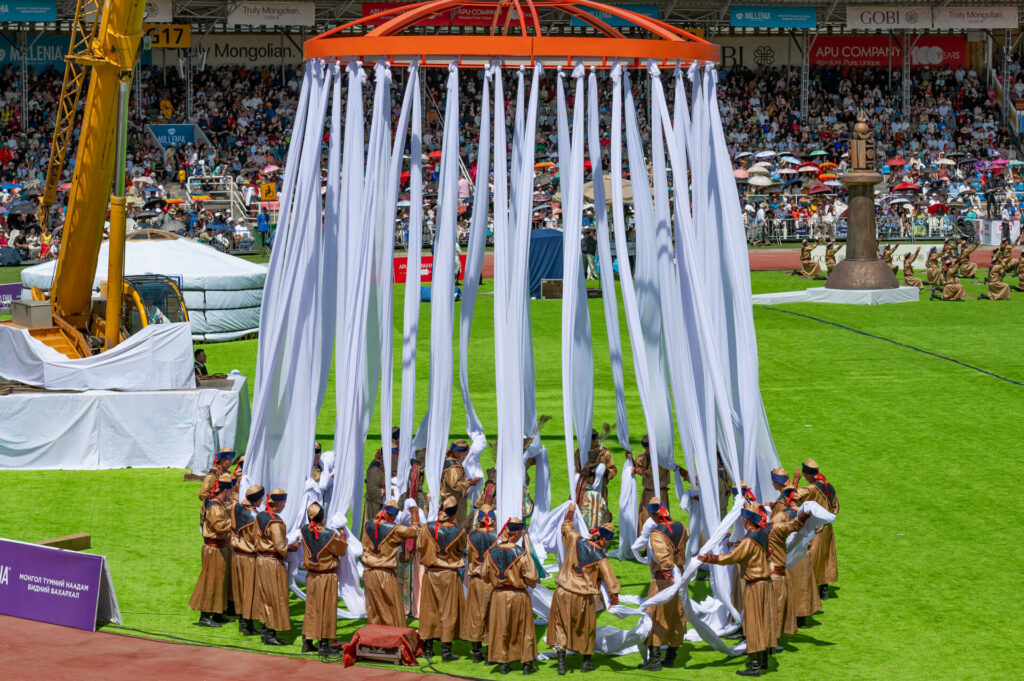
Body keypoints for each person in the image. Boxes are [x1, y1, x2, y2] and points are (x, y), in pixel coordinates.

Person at [698, 502, 777, 677]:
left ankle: (754, 664)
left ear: (747, 520)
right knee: (763, 621)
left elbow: (732, 557)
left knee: (753, 623)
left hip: (755, 586)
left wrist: (709, 558)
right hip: (766, 583)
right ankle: (763, 659)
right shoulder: (762, 533)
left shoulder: (749, 540)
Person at [547, 503, 620, 675]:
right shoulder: (601, 558)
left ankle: (561, 663)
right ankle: (586, 662)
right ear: (605, 539)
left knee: (561, 626)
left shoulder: (575, 540)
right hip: (582, 597)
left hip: (562, 592)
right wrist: (614, 597)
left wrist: (571, 512)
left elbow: (566, 527)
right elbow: (611, 581)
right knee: (586, 629)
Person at [483, 517, 539, 675]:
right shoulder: (521, 554)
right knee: (524, 628)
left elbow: (484, 574)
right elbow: (532, 576)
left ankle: (503, 663)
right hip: (518, 594)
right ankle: (527, 664)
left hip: (499, 595)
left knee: (501, 628)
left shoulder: (492, 551)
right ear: (516, 534)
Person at [639, 498, 689, 671]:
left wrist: (668, 574)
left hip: (664, 580)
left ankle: (655, 660)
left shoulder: (657, 534)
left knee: (656, 617)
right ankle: (671, 657)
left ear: (654, 515)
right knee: (677, 615)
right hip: (680, 577)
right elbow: (685, 538)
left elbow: (665, 560)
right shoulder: (682, 526)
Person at [417, 495, 468, 660]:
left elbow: (419, 546)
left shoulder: (427, 527)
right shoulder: (459, 531)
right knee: (449, 611)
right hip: (449, 574)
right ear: (454, 514)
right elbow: (462, 548)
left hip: (431, 573)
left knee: (429, 610)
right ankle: (446, 651)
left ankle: (428, 649)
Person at [362, 499, 421, 627]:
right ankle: (390, 641)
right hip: (385, 574)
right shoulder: (394, 529)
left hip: (369, 572)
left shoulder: (368, 524)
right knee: (391, 609)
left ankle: (375, 641)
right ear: (392, 515)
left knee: (374, 609)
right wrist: (414, 511)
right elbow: (415, 531)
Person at [299, 502, 348, 655]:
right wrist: (343, 535)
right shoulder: (329, 534)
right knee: (327, 608)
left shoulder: (304, 530)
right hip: (326, 576)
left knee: (311, 608)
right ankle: (323, 644)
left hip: (312, 576)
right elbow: (341, 550)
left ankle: (307, 641)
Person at [189, 473, 235, 627]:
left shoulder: (212, 501)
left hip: (219, 547)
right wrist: (235, 520)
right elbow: (220, 526)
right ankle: (205, 616)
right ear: (225, 491)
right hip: (214, 548)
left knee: (220, 581)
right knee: (211, 581)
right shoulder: (214, 506)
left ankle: (217, 612)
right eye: (230, 491)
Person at [255, 488, 297, 646]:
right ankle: (270, 633)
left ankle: (266, 631)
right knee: (274, 596)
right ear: (278, 503)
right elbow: (280, 546)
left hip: (260, 559)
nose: (285, 505)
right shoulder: (275, 522)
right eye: (284, 502)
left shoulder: (260, 515)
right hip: (272, 562)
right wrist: (291, 546)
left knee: (265, 596)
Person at [795, 459, 839, 601]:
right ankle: (824, 590)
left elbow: (795, 496)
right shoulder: (829, 486)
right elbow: (836, 507)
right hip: (827, 528)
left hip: (816, 528)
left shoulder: (812, 488)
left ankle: (809, 594)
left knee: (811, 559)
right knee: (825, 558)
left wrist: (795, 482)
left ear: (807, 474)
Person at [463, 505, 498, 663]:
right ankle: (490, 653)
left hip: (476, 581)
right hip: (491, 581)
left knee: (475, 615)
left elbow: (469, 556)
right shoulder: (496, 538)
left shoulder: (471, 537)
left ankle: (477, 653)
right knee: (491, 616)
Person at [231, 484, 264, 637]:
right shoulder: (255, 517)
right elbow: (257, 540)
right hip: (249, 557)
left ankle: (243, 622)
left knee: (239, 589)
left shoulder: (236, 508)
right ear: (257, 500)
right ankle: (247, 624)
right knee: (250, 591)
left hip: (236, 555)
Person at [631, 434, 672, 531]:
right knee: (644, 518)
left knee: (660, 519)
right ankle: (645, 542)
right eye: (644, 445)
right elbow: (638, 461)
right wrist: (631, 458)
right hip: (647, 493)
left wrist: (640, 472)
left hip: (659, 492)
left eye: (647, 445)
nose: (646, 448)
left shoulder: (661, 458)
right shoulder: (646, 455)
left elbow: (654, 473)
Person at [441, 440, 481, 526]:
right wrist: (470, 482)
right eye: (463, 453)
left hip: (453, 500)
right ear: (456, 452)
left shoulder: (451, 459)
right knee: (458, 528)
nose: (464, 455)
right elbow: (455, 485)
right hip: (454, 503)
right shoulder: (452, 468)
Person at [574, 429, 616, 504]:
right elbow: (575, 473)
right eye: (592, 441)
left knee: (600, 513)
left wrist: (604, 471)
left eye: (595, 441)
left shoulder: (605, 453)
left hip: (601, 492)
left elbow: (613, 471)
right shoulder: (579, 453)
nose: (595, 443)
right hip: (584, 491)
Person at [579, 463, 612, 532]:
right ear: (591, 478)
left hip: (578, 532)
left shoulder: (576, 493)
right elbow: (606, 517)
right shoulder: (597, 496)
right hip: (593, 534)